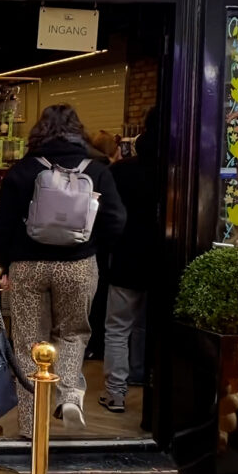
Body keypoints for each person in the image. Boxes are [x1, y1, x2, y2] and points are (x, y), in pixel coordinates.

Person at [0, 104, 126, 435]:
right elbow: (116, 220)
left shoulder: (23, 169)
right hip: (78, 265)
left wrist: (2, 264)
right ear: (78, 131)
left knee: (28, 344)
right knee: (73, 333)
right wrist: (92, 245)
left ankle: (30, 426)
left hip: (28, 266)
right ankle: (69, 397)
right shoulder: (97, 170)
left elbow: (2, 223)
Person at [100, 108, 161, 413]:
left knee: (117, 327)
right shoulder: (177, 171)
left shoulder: (121, 171)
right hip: (162, 261)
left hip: (126, 258)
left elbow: (103, 215)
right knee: (145, 326)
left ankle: (116, 393)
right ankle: (139, 374)